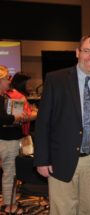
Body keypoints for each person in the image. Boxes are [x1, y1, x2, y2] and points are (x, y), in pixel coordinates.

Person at [34, 33, 90, 215]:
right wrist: (42, 159)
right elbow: (42, 123)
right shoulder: (56, 79)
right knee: (63, 210)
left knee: (89, 210)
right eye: (87, 51)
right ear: (77, 52)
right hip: (60, 159)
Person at [0, 66, 27, 215]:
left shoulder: (4, 97)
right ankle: (9, 205)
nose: (9, 82)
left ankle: (10, 201)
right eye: (6, 79)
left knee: (10, 172)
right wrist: (15, 118)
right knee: (10, 172)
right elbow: (2, 118)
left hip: (9, 139)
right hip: (7, 140)